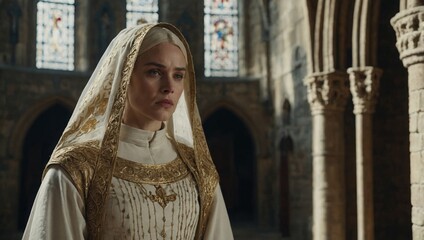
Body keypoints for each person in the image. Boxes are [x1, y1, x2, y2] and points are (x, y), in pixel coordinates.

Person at [22, 22, 234, 240]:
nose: (169, 86)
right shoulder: (75, 169)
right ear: (123, 78)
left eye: (178, 75)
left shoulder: (197, 168)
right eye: (154, 72)